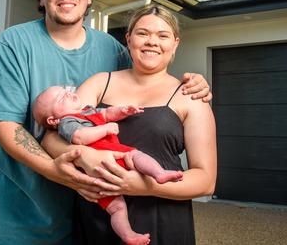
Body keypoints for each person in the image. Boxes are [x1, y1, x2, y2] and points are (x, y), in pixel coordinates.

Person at [0, 0, 212, 245]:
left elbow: (147, 79)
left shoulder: (112, 51)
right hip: (27, 218)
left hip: (90, 216)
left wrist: (192, 83)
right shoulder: (13, 44)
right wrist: (61, 170)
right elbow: (8, 129)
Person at [43, 4, 217, 245]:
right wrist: (84, 155)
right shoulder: (99, 83)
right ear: (128, 38)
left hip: (162, 219)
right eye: (143, 33)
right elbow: (52, 137)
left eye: (163, 35)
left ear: (175, 43)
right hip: (97, 215)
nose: (151, 42)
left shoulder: (190, 97)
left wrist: (145, 186)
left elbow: (206, 180)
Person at [33, 85, 184, 245]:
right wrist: (105, 129)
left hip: (109, 163)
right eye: (61, 97)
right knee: (132, 167)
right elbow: (80, 138)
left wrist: (123, 111)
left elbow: (105, 113)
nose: (69, 94)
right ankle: (129, 231)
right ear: (53, 120)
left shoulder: (87, 111)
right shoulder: (66, 122)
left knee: (120, 200)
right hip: (102, 166)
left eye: (66, 91)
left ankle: (158, 175)